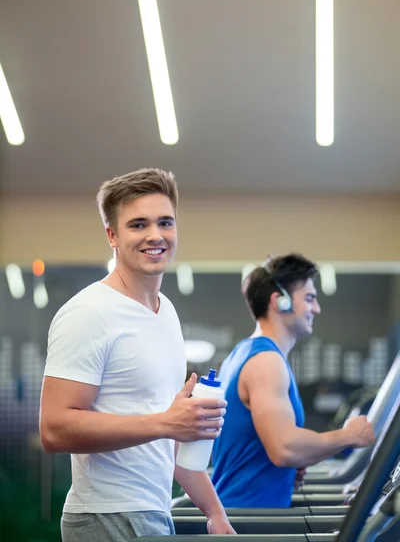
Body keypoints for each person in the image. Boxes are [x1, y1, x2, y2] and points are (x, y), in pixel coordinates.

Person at [40, 168, 235, 540]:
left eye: (165, 222)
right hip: (107, 516)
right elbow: (54, 429)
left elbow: (170, 435)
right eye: (138, 225)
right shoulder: (89, 313)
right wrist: (165, 422)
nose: (155, 235)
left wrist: (215, 514)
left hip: (151, 511)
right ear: (112, 235)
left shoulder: (167, 312)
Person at [211, 253, 375, 508]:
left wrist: (289, 469)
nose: (316, 308)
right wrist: (347, 436)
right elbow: (284, 448)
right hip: (248, 521)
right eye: (309, 299)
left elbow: (259, 447)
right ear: (281, 301)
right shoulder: (266, 362)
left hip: (247, 511)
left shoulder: (245, 352)